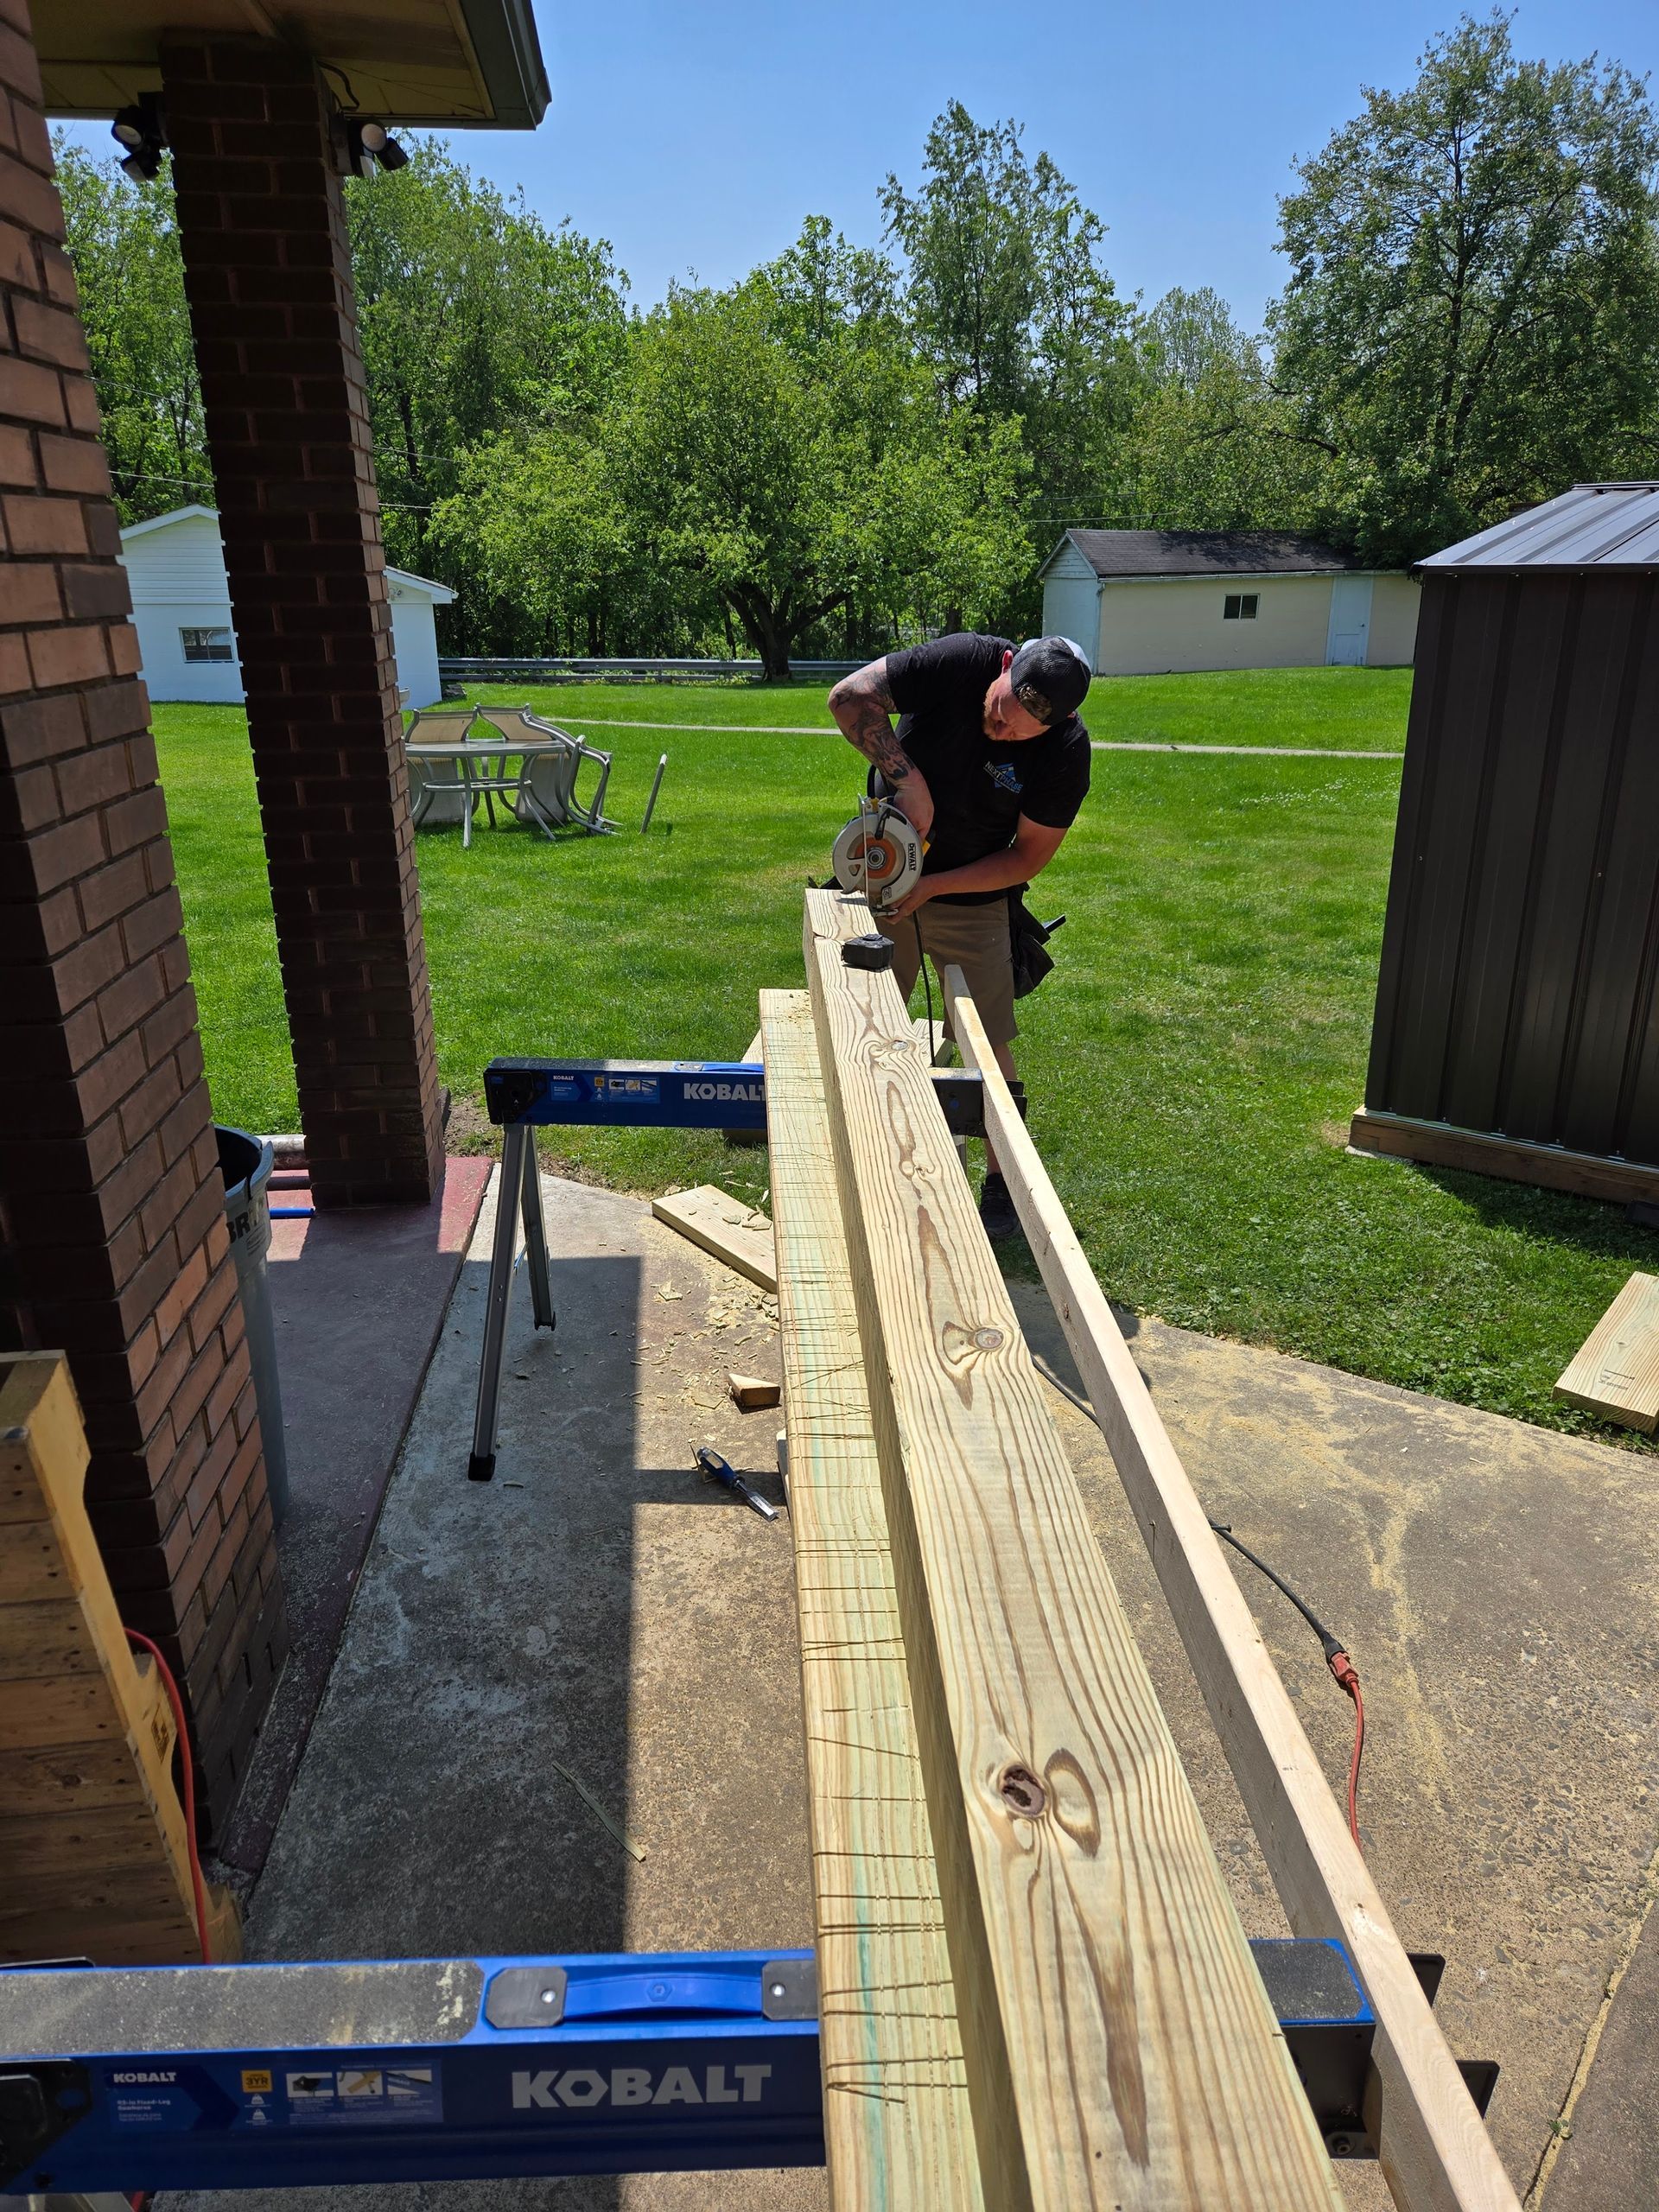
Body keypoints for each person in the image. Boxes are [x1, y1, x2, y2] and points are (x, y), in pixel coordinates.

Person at [828, 632, 1092, 1236]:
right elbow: (849, 698)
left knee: (988, 1038)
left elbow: (1025, 858)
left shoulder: (1066, 752)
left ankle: (1003, 1183)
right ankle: (865, 1153)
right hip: (886, 858)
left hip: (974, 886)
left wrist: (936, 887)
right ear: (1004, 667)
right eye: (999, 710)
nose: (1002, 728)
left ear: (1063, 719)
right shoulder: (964, 660)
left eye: (1021, 731)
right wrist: (909, 782)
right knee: (865, 1018)